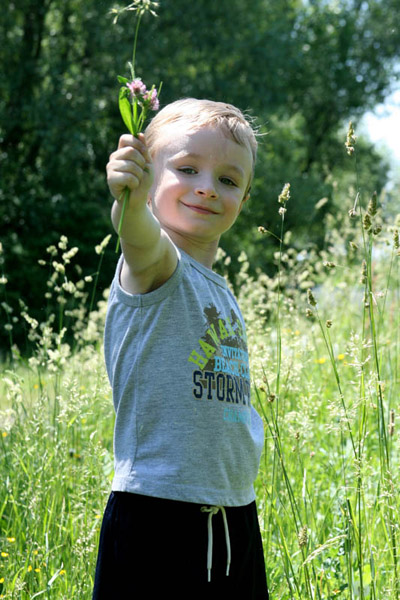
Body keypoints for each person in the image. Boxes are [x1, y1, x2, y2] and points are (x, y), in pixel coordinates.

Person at [92, 98, 268, 599]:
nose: (207, 187)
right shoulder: (157, 266)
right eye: (187, 169)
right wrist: (127, 197)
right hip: (157, 514)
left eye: (229, 180)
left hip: (233, 513)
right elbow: (138, 237)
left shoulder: (219, 289)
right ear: (149, 179)